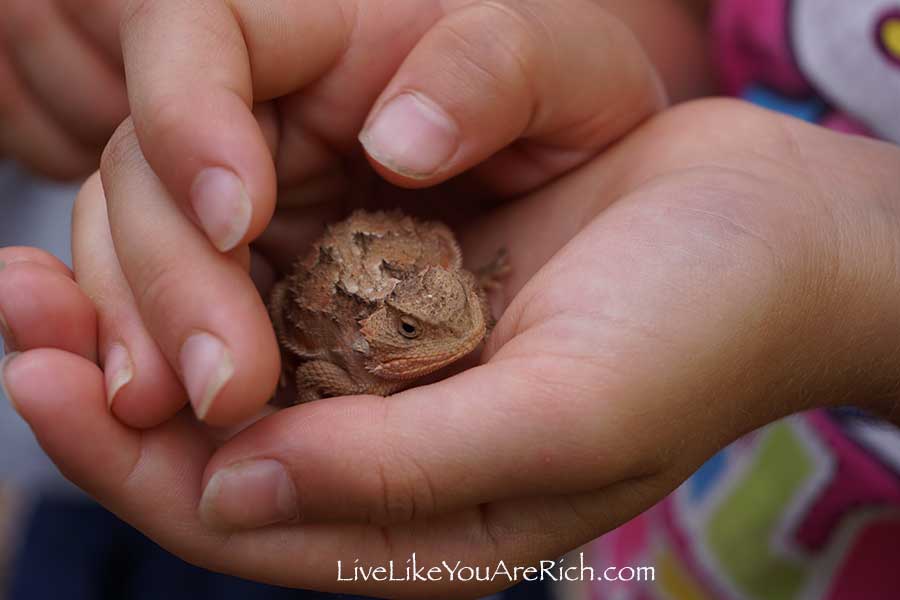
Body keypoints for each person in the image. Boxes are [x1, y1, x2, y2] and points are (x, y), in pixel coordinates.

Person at [2, 0, 900, 597]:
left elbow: (446, 286)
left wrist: (850, 266)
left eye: (464, 305)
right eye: (408, 330)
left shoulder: (436, 302)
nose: (469, 328)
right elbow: (313, 367)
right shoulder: (342, 351)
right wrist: (510, 47)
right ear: (376, 332)